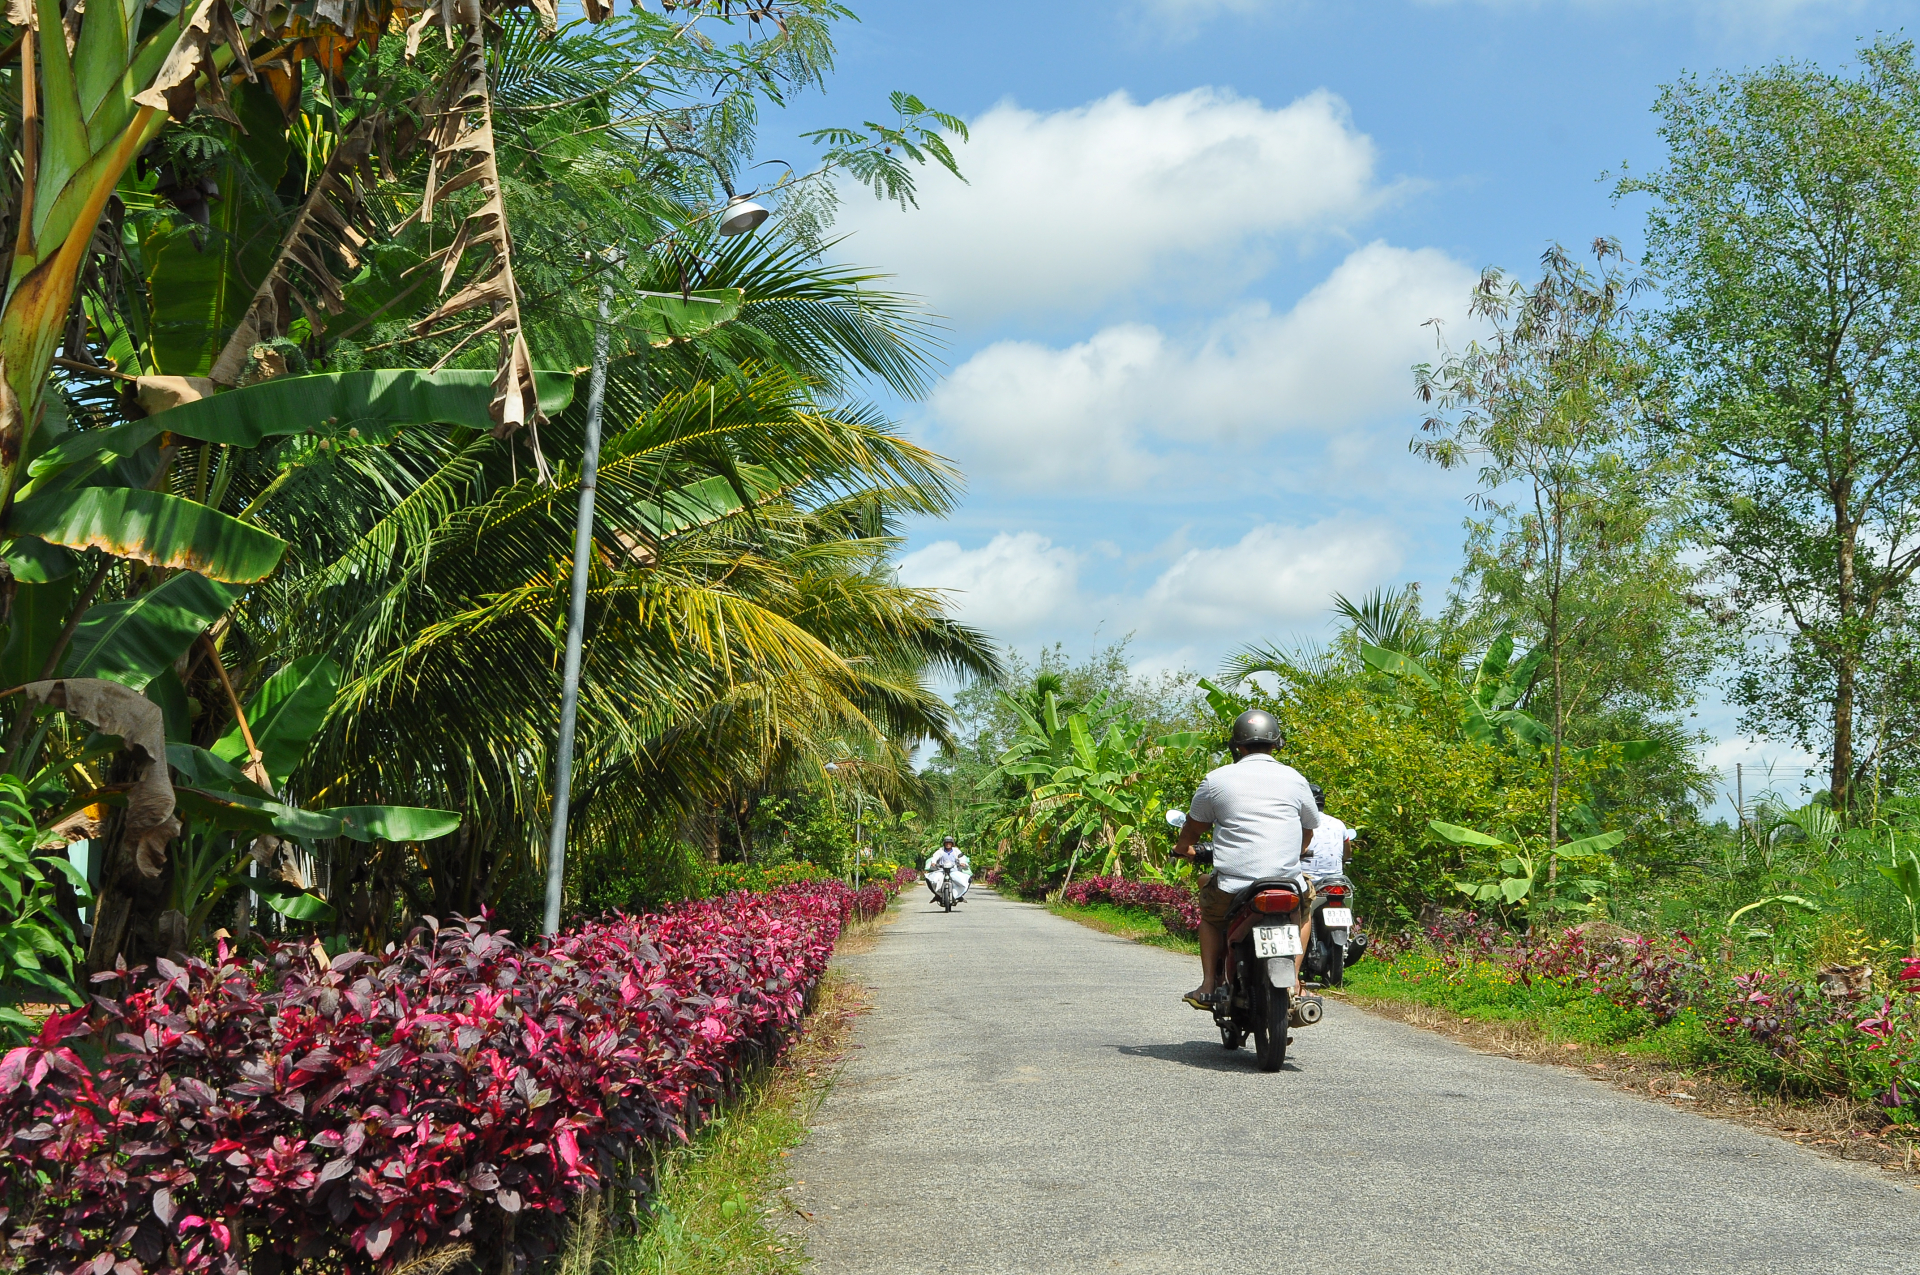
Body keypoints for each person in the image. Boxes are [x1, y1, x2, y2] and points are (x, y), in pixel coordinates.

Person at [1171, 708, 1318, 1009]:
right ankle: (1295, 982)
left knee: (1211, 918)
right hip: (1287, 884)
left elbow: (1193, 828)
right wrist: (1298, 851)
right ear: (1277, 743)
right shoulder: (1295, 779)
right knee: (1305, 913)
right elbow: (1308, 829)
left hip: (1232, 887)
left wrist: (1183, 847)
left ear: (1237, 745)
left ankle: (1208, 984)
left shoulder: (1216, 780)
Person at [1302, 782, 1356, 878]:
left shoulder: (1299, 823)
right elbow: (1347, 853)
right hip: (1335, 879)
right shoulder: (1339, 823)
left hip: (1306, 879)